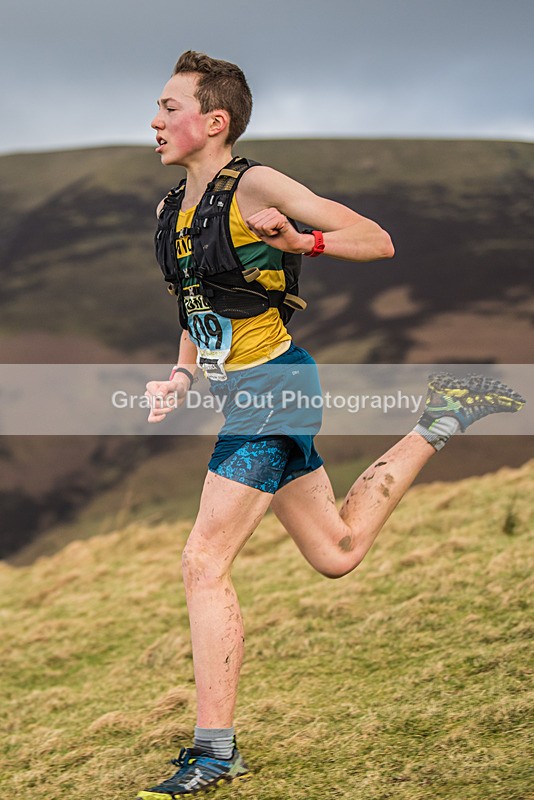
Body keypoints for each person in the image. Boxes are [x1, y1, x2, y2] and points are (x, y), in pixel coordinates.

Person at [138, 51, 525, 798]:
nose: (154, 121)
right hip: (244, 394)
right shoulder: (168, 211)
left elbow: (375, 238)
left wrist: (301, 243)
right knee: (338, 551)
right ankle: (443, 417)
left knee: (201, 562)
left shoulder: (255, 185)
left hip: (275, 392)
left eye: (169, 107)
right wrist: (181, 374)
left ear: (213, 122)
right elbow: (196, 305)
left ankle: (214, 753)